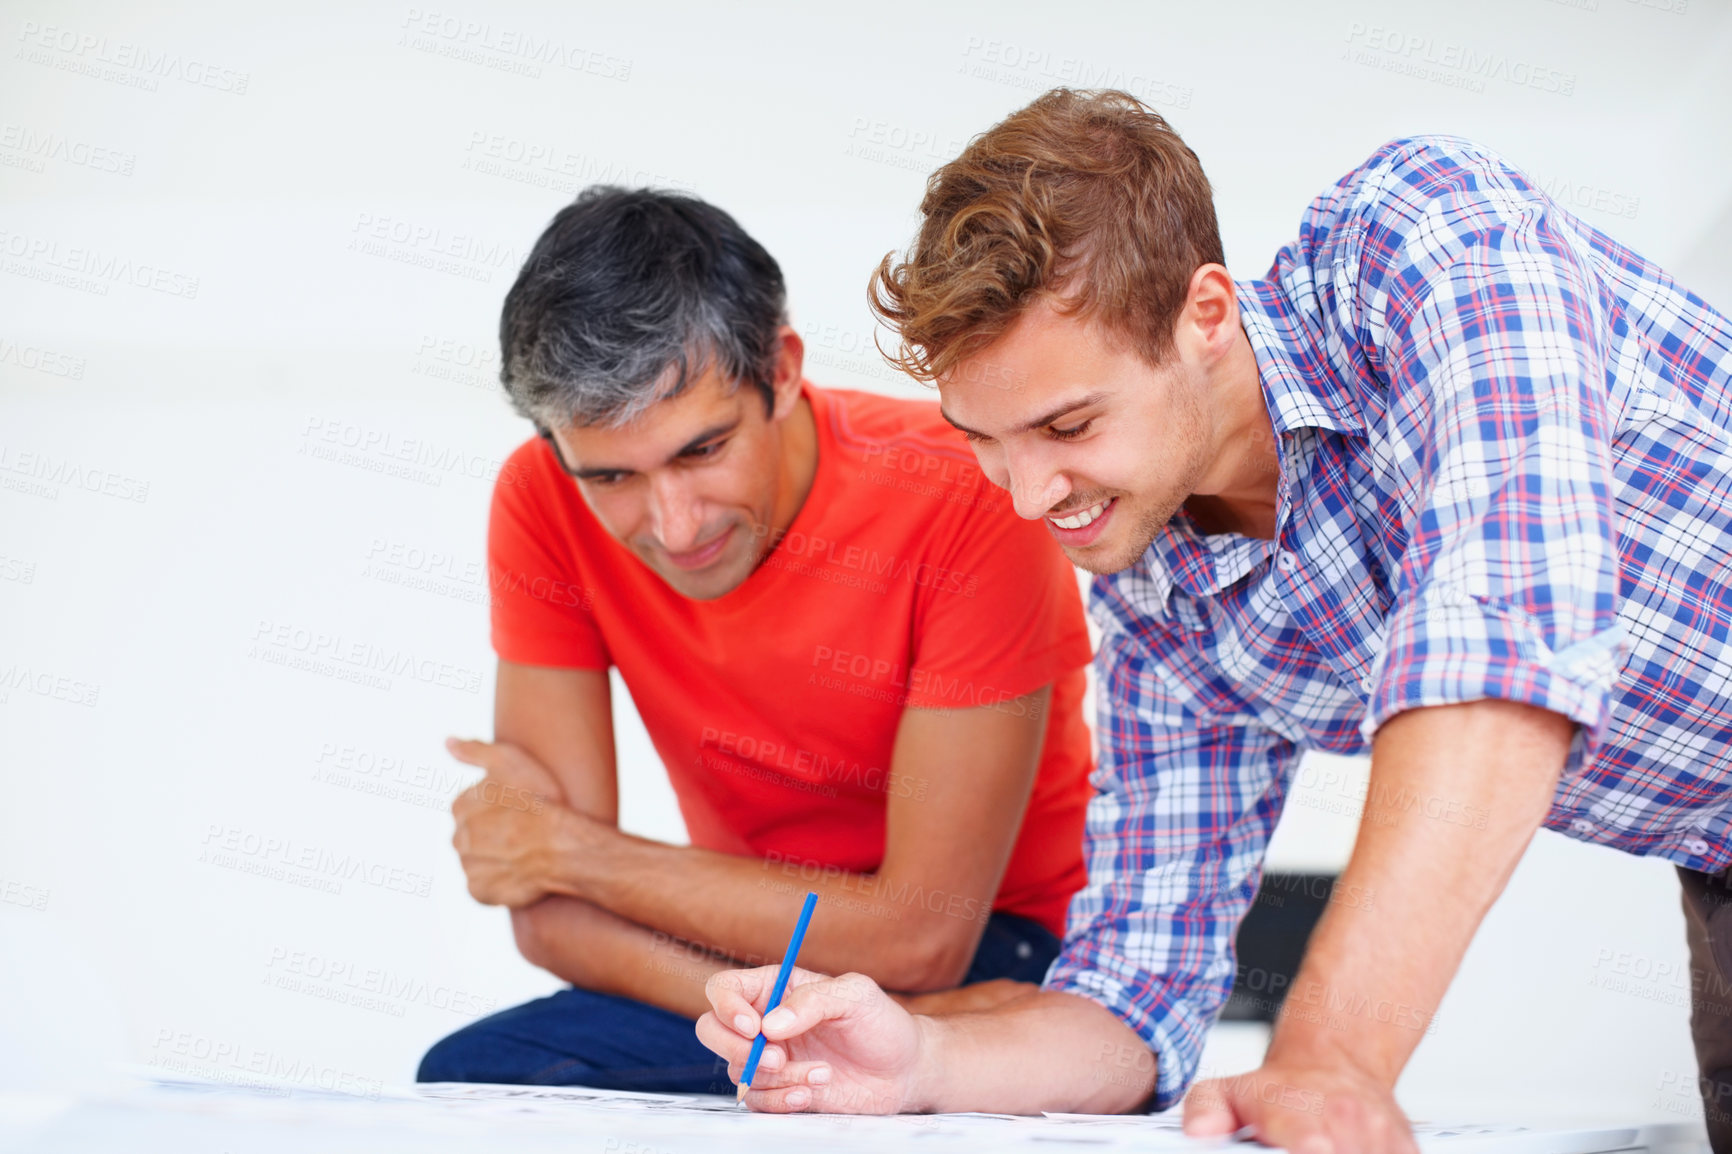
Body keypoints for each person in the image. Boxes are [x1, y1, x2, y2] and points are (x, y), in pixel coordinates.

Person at [695, 88, 1732, 1151]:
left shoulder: (1427, 233)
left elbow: (1503, 625)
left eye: (1067, 423)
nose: (1025, 495)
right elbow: (1135, 991)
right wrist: (922, 1057)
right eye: (985, 440)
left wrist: (1331, 1054)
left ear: (1206, 313)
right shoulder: (1160, 598)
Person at [415, 186, 1097, 1095]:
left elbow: (921, 937)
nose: (675, 523)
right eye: (612, 475)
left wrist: (576, 851)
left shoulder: (964, 495)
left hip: (1002, 952)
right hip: (748, 951)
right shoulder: (540, 499)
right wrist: (773, 1014)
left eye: (702, 450)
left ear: (780, 369)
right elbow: (549, 921)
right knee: (471, 1076)